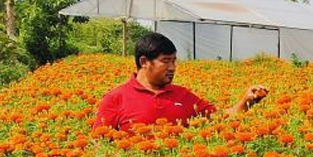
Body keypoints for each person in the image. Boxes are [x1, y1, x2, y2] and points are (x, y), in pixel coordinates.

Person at [92, 32, 269, 130]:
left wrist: (247, 100)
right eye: (166, 61)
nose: (173, 67)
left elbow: (222, 117)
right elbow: (99, 145)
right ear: (144, 62)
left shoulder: (183, 96)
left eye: (174, 61)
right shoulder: (116, 98)